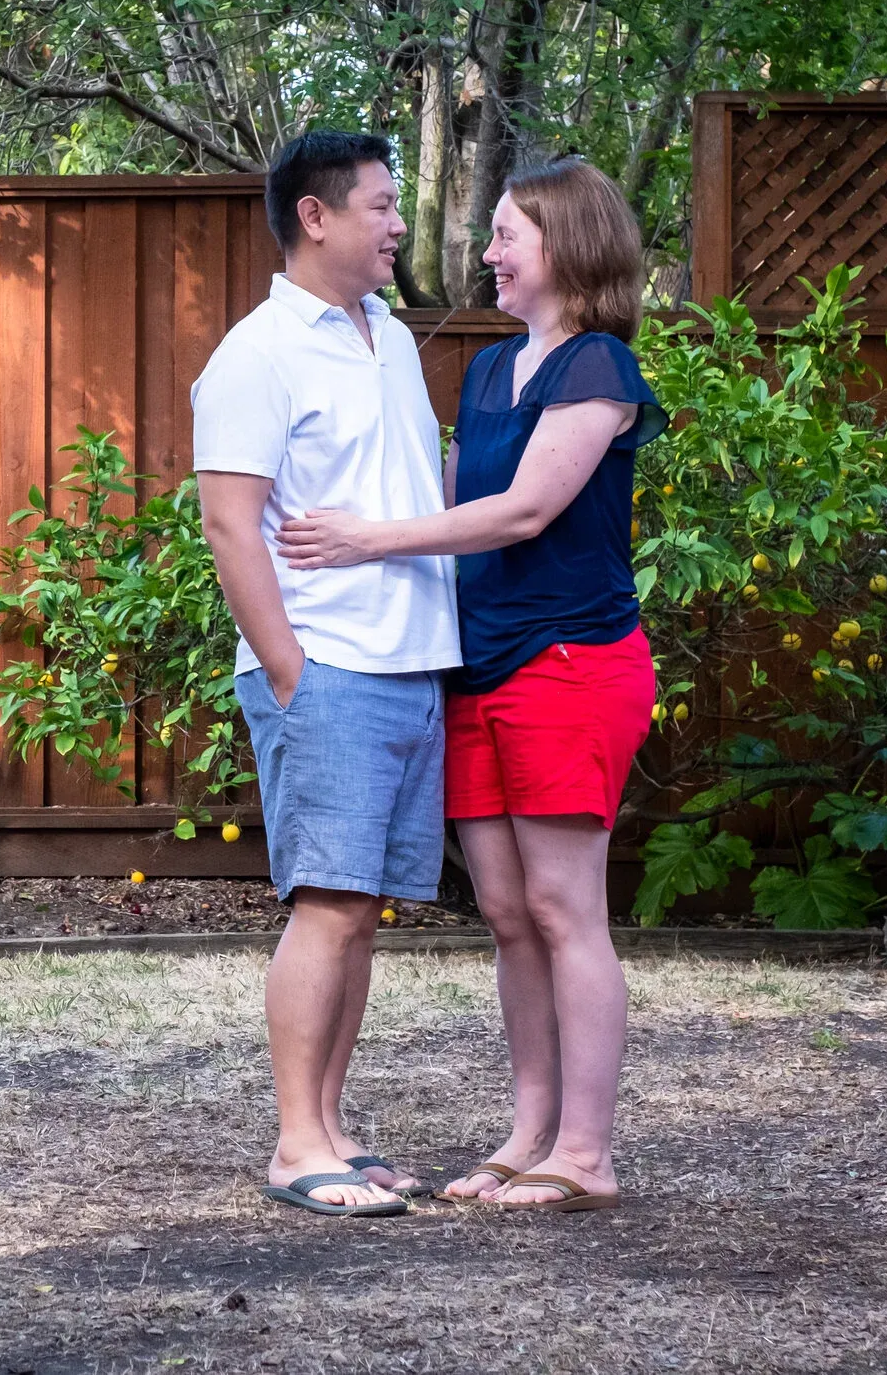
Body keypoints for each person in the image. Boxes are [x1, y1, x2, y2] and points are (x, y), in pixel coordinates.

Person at [278, 155, 665, 1213]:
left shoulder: (597, 369)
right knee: (503, 908)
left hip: (570, 661)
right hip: (479, 662)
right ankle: (528, 1130)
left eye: (506, 235)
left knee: (561, 904)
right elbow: (444, 496)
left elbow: (522, 511)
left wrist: (365, 541)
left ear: (568, 246)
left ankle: (585, 1152)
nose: (487, 253)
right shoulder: (492, 372)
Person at [192, 127, 461, 1217]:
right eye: (383, 205)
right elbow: (228, 522)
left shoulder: (387, 335)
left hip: (409, 663)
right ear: (317, 216)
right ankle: (296, 1141)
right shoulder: (257, 352)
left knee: (360, 913)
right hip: (330, 668)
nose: (400, 224)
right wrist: (291, 670)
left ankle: (335, 1128)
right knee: (328, 905)